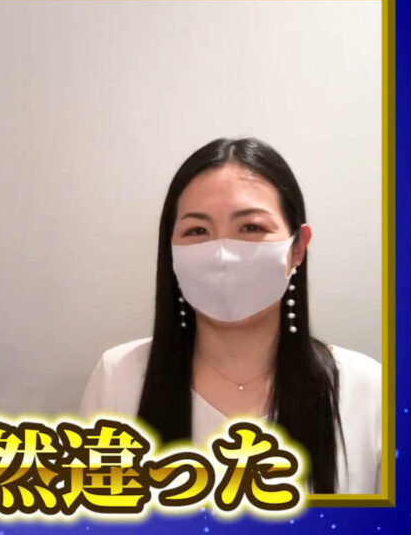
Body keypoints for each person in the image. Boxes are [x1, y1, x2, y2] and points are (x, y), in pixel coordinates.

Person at [79, 137, 381, 494]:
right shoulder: (119, 378)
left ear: (297, 248)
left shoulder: (368, 390)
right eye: (197, 231)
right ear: (171, 250)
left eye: (251, 227)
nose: (223, 254)